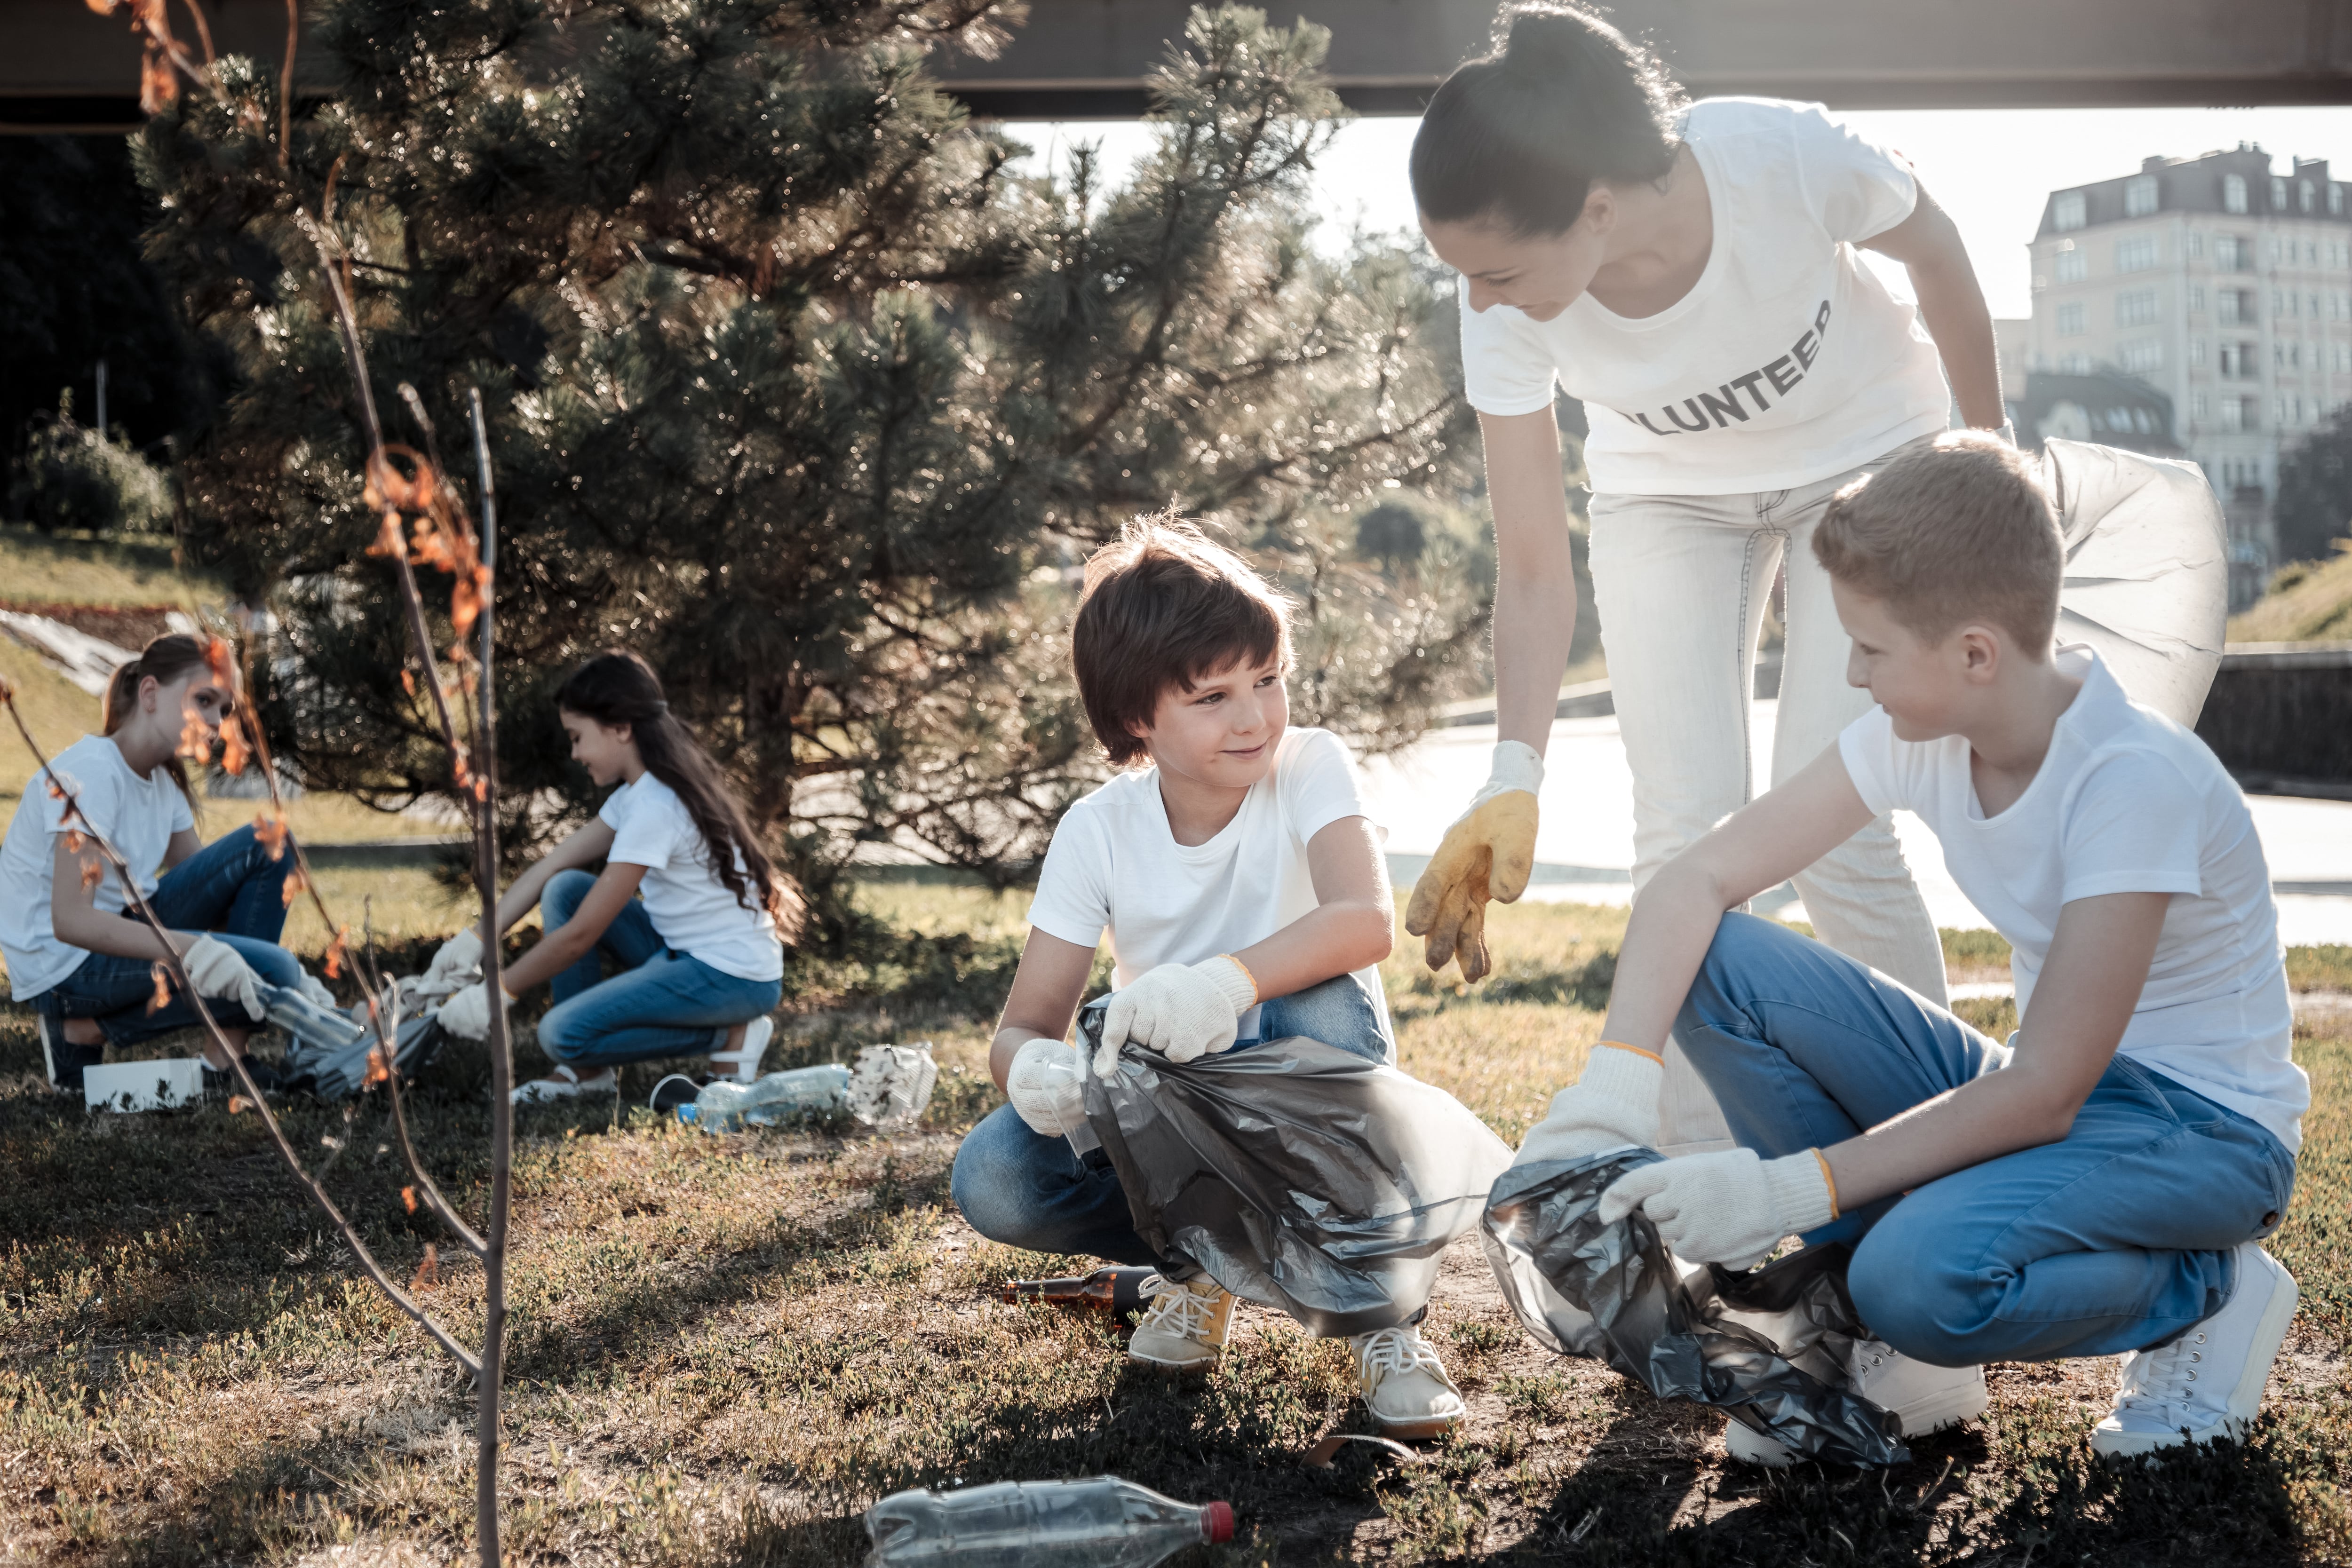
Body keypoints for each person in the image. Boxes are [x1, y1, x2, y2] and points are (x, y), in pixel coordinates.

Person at [1517, 434, 2306, 1464]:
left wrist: (1782, 1190)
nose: (1850, 671)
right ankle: (1892, 1346)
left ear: (1974, 653)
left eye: (1870, 647)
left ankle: (2207, 1288)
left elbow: (2045, 1093)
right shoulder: (1917, 735)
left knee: (1918, 1281)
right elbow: (1694, 881)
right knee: (1717, 958)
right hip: (2054, 1089)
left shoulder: (2132, 779)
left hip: (2205, 1134)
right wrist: (1610, 1091)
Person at [1405, 4, 2006, 1145]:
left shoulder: (1782, 156)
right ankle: (1684, 1184)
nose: (1477, 298)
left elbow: (1935, 249)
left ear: (1592, 208)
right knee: (1680, 836)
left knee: (1840, 825)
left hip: (1870, 466)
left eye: (1494, 269)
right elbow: (1535, 570)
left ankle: (1943, 1148)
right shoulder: (1504, 309)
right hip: (1667, 497)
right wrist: (1511, 770)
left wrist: (1990, 471)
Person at [949, 518, 1468, 1439]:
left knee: (1308, 982)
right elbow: (1025, 1021)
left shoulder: (1309, 764)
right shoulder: (1096, 829)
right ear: (1138, 716)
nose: (1254, 716)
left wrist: (1225, 984)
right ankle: (1195, 1274)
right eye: (1214, 695)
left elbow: (1365, 921)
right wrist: (1030, 1069)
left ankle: (1384, 1322)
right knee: (994, 1170)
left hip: (1316, 1106)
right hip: (1174, 1130)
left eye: (1267, 679)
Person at [431, 651, 796, 1104]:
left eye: (578, 737)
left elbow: (580, 936)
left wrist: (498, 993)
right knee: (565, 887)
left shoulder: (655, 807)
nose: (575, 753)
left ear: (622, 728)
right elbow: (551, 867)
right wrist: (476, 940)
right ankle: (585, 1075)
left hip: (734, 977)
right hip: (684, 953)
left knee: (559, 1033)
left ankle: (727, 1033)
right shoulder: (638, 795)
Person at [0, 634, 328, 1093]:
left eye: (224, 708)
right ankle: (79, 1026)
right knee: (265, 965)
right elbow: (70, 921)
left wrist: (250, 957)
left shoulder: (162, 785)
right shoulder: (95, 772)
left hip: (109, 937)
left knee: (270, 845)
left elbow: (219, 894)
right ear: (151, 693)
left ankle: (225, 1061)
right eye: (204, 700)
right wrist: (201, 953)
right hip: (64, 968)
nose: (216, 722)